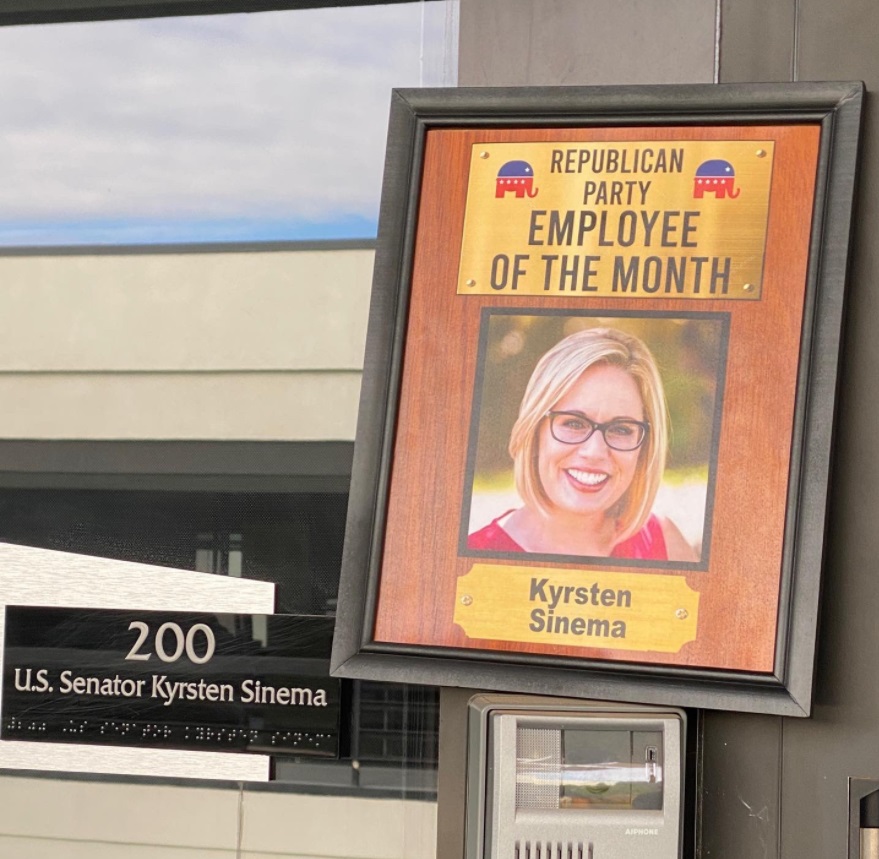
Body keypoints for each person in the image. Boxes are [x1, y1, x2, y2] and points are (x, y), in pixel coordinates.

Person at [468, 327, 696, 562]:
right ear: (534, 432)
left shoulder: (665, 544)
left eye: (621, 429)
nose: (594, 452)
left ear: (644, 448)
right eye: (574, 424)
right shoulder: (475, 561)